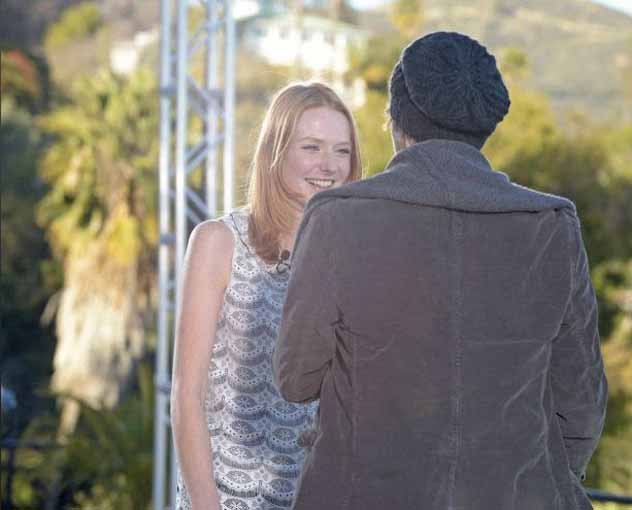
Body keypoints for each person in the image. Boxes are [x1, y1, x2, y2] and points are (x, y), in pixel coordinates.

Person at [275, 32, 608, 510]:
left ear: (396, 121)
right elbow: (581, 403)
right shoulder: (552, 223)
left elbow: (297, 379)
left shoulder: (338, 217)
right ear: (484, 126)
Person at [171, 82, 362, 510]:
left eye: (342, 151)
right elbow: (186, 395)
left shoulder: (354, 257)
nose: (329, 165)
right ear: (275, 151)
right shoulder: (219, 242)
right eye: (311, 147)